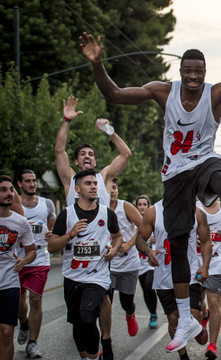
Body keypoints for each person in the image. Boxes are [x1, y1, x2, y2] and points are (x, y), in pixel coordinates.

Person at [79, 2, 221, 351]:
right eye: (187, 70)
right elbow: (114, 94)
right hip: (174, 174)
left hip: (203, 162)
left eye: (198, 71)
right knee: (177, 241)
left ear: (205, 71)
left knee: (220, 173)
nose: (192, 76)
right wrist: (97, 64)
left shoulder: (216, 93)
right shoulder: (163, 91)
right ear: (180, 70)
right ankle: (186, 318)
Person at [55, 97, 132, 359]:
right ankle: (89, 351)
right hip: (74, 261)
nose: (87, 157)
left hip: (100, 258)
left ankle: (107, 341)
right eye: (83, 155)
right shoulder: (70, 182)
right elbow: (59, 151)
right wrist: (66, 121)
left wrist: (109, 130)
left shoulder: (103, 177)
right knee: (81, 320)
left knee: (102, 299)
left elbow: (126, 154)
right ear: (77, 162)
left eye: (91, 154)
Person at [48, 169, 122, 360]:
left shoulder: (107, 214)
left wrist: (114, 250)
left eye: (95, 183)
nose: (93, 186)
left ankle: (95, 355)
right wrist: (70, 234)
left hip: (98, 277)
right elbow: (51, 246)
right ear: (77, 189)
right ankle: (87, 356)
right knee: (78, 324)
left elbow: (118, 237)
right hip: (73, 278)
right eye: (88, 184)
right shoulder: (66, 215)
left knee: (88, 318)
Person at [135, 199, 211, 360]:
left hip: (189, 274)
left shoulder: (196, 212)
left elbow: (205, 241)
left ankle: (203, 317)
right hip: (164, 276)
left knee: (193, 315)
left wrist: (205, 265)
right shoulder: (153, 211)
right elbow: (140, 239)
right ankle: (183, 356)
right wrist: (149, 251)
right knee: (173, 318)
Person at [15, 170, 56, 358]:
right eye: (28, 181)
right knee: (18, 302)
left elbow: (54, 226)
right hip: (17, 260)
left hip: (39, 258)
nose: (32, 184)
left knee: (36, 300)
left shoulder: (46, 204)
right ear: (19, 184)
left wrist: (51, 233)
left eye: (33, 181)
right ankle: (23, 323)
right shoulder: (13, 205)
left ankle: (32, 343)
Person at [0, 175, 36, 360]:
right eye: (3, 190)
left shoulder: (20, 222)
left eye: (10, 190)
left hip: (9, 282)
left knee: (6, 333)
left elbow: (31, 250)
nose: (9, 194)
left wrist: (25, 260)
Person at [107, 178, 143, 337]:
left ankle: (130, 315)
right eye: (109, 188)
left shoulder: (126, 207)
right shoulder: (98, 208)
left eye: (114, 187)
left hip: (128, 263)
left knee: (126, 303)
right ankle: (105, 339)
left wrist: (129, 244)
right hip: (106, 265)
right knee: (104, 304)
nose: (113, 191)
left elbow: (144, 227)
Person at [198, 199, 221, 359]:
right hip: (196, 261)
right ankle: (204, 316)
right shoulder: (195, 206)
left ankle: (212, 345)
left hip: (218, 261)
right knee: (197, 304)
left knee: (214, 302)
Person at [135, 195, 159, 329]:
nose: (142, 207)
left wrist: (156, 237)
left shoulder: (153, 219)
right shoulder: (133, 221)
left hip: (152, 261)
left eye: (145, 204)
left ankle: (156, 314)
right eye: (140, 204)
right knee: (145, 289)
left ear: (148, 206)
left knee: (150, 285)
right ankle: (153, 313)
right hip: (139, 263)